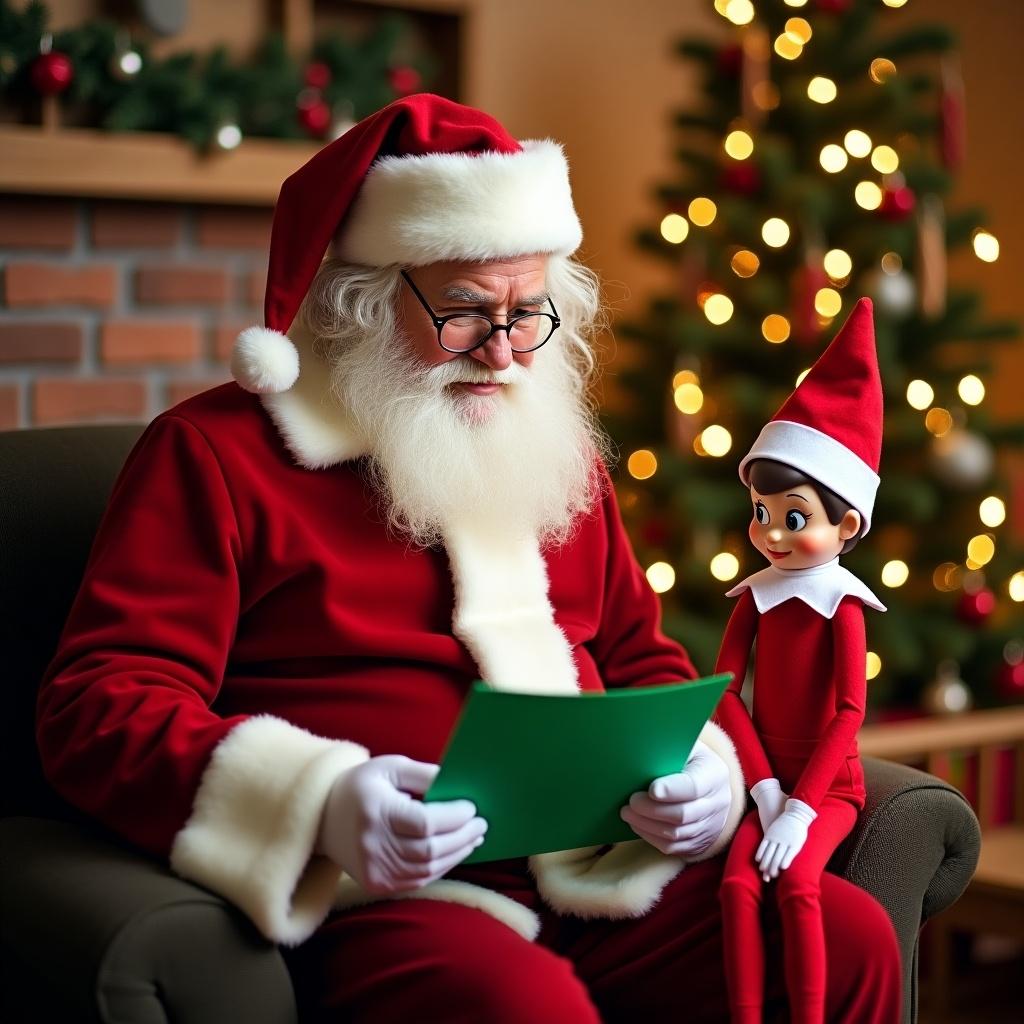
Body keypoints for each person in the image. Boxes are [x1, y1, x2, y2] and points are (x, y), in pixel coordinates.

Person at [36, 95, 900, 1022]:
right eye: (463, 314)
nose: (501, 353)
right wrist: (322, 801)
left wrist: (700, 773)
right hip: (384, 896)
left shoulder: (552, 449)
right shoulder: (214, 456)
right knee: (518, 1005)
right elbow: (100, 701)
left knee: (849, 943)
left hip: (593, 871)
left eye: (530, 314)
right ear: (363, 301)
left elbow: (641, 658)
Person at [714, 299, 887, 1024]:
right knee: (734, 887)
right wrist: (759, 789)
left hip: (826, 789)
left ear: (845, 524)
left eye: (793, 517)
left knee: (798, 887)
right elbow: (726, 690)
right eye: (760, 512)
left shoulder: (841, 604)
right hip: (766, 782)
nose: (770, 534)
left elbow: (850, 711)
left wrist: (803, 807)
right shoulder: (755, 597)